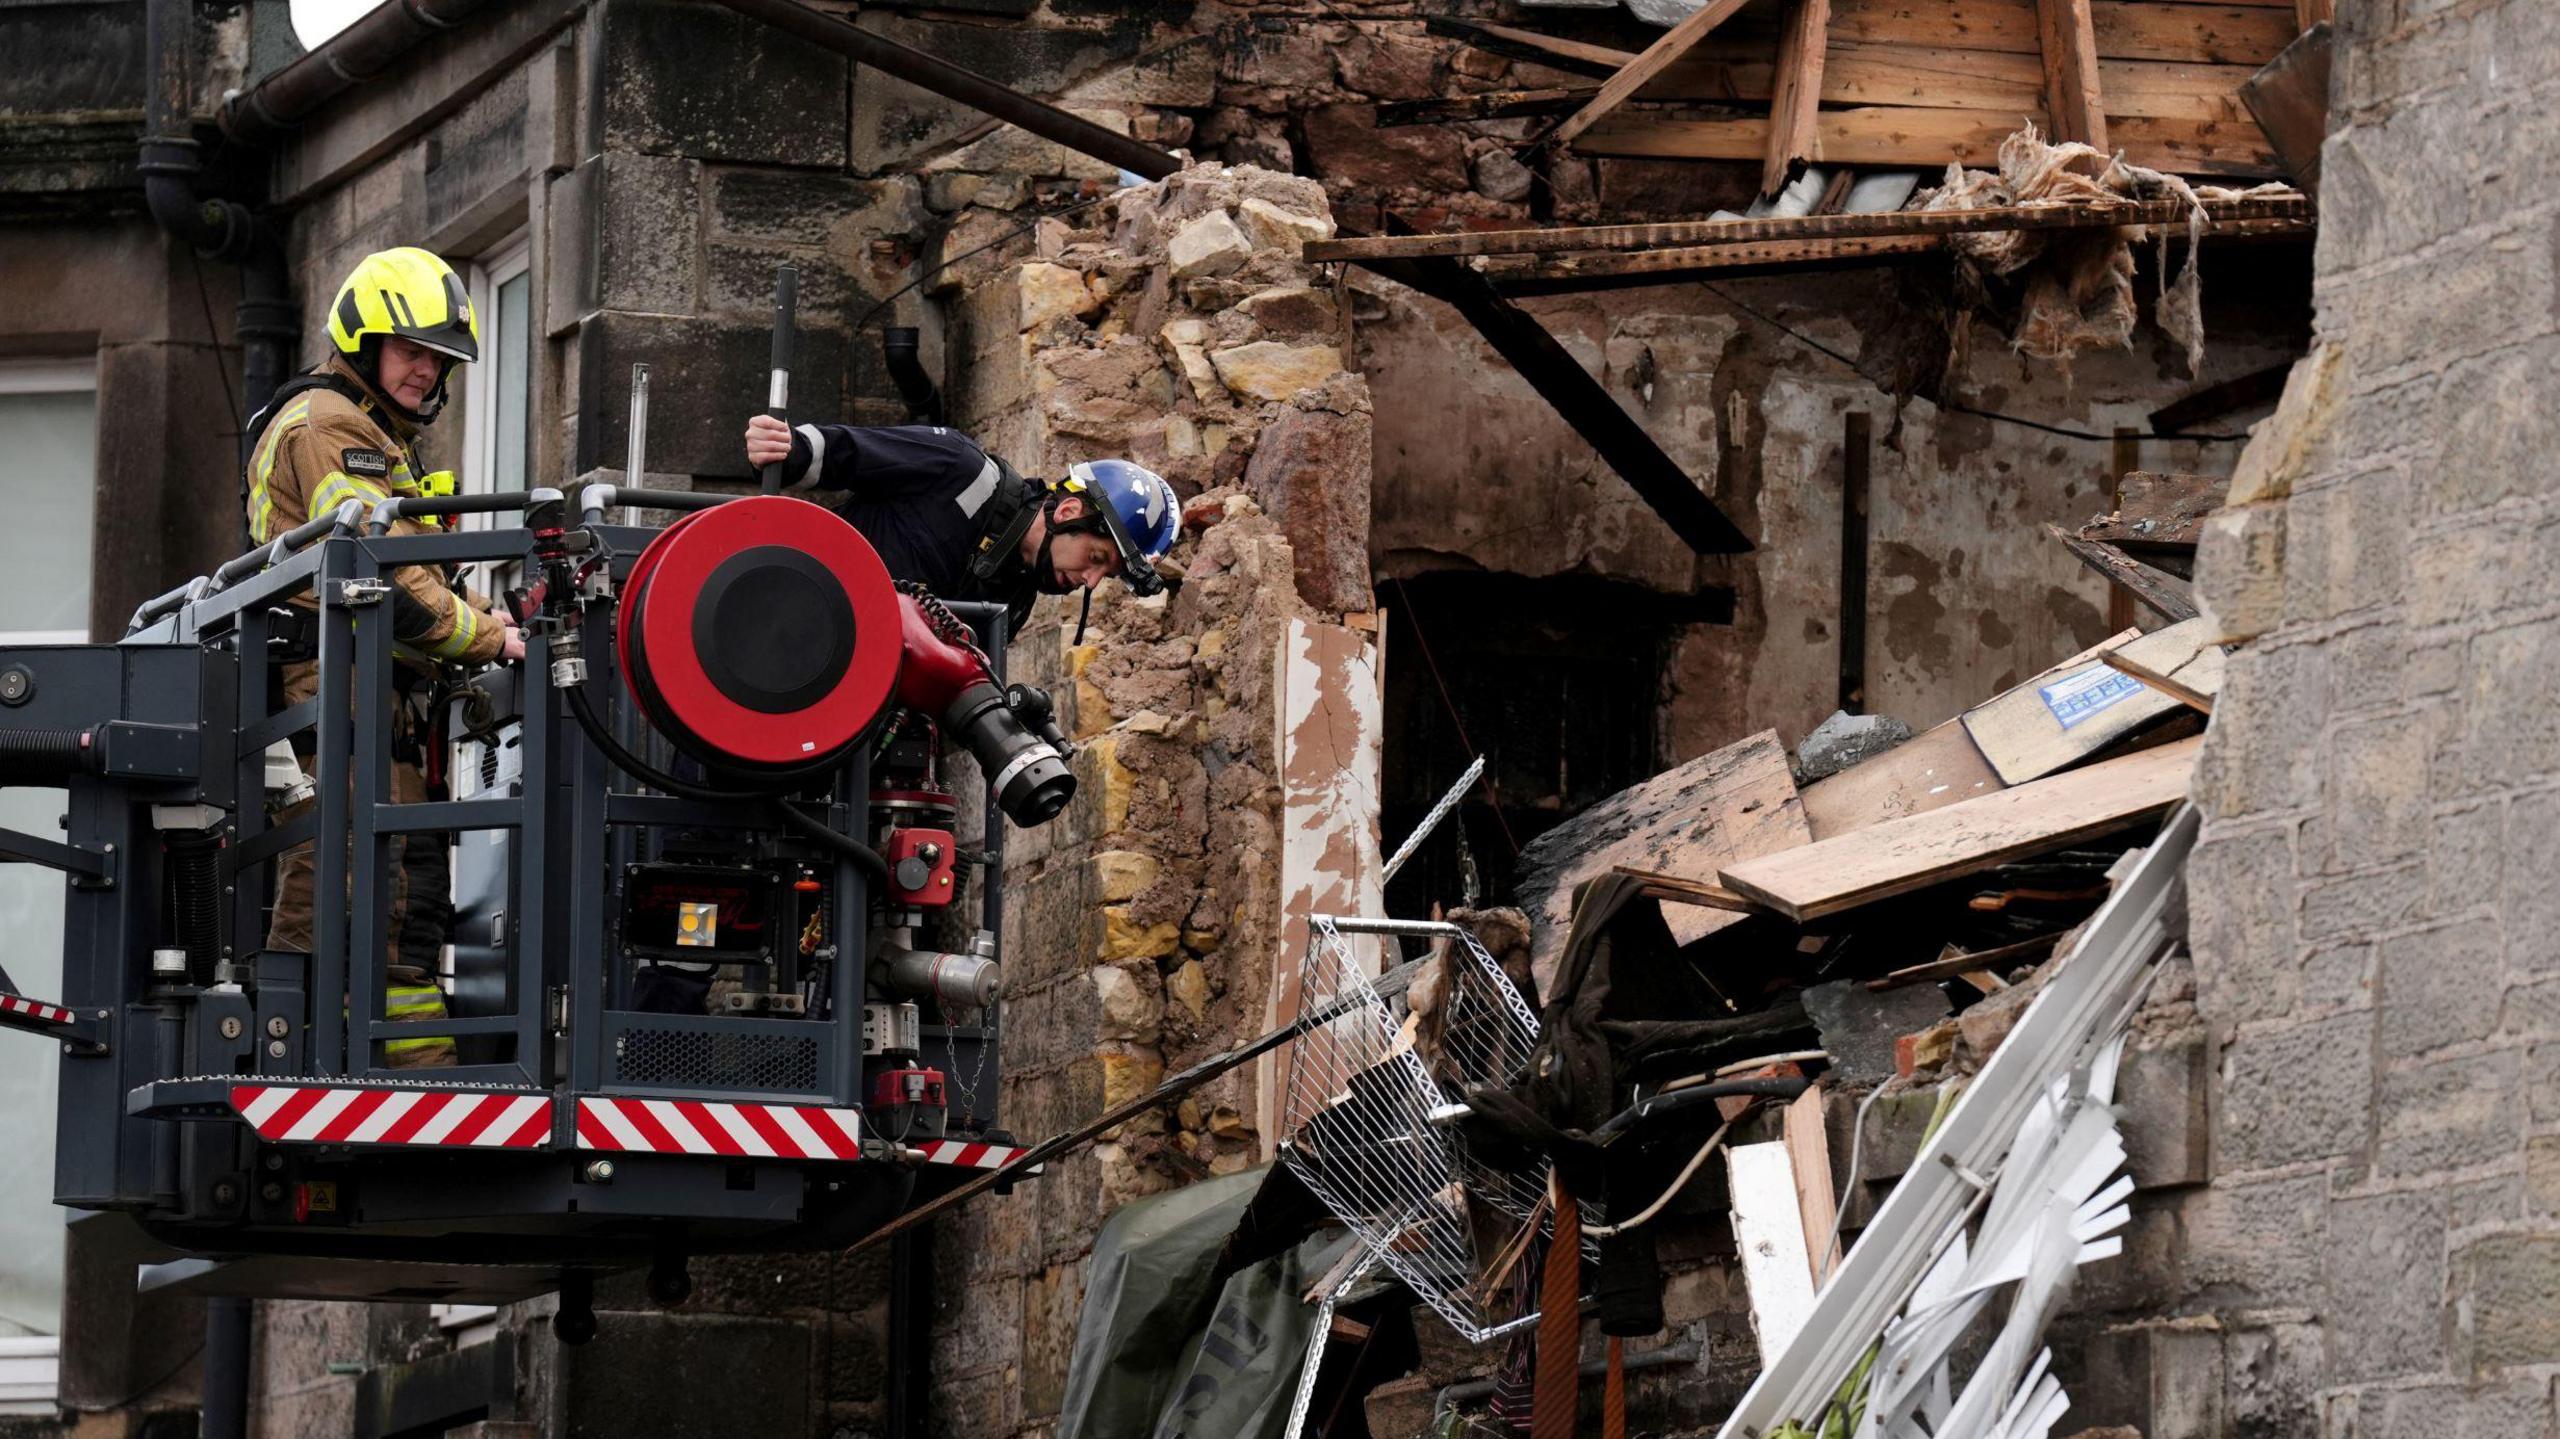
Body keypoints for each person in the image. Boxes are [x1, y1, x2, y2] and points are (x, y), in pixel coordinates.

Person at [244, 245, 523, 1068]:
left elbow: (408, 567)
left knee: (405, 892)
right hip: (334, 688)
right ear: (364, 343)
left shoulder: (372, 433)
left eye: (440, 359)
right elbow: (385, 574)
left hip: (371, 692)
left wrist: (486, 618)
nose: (427, 371)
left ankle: (410, 1067)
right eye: (411, 351)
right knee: (348, 877)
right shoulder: (333, 425)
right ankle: (335, 1061)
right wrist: (491, 637)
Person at [739, 415, 1181, 629]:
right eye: (1097, 558)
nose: (1090, 581)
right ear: (1068, 512)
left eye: (1106, 575)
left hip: (837, 730)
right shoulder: (957, 467)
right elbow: (844, 452)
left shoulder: (1010, 604)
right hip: (767, 630)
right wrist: (787, 447)